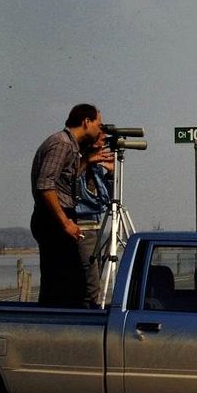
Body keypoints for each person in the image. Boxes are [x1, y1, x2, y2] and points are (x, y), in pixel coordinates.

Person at [30, 104, 104, 308]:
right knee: (65, 283)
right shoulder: (61, 144)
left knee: (64, 282)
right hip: (53, 218)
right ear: (86, 122)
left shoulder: (70, 146)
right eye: (98, 125)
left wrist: (86, 162)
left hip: (57, 216)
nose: (100, 130)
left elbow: (64, 181)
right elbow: (46, 185)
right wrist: (65, 222)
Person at [75, 132, 114, 308]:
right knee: (91, 283)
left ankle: (89, 309)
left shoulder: (97, 167)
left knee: (96, 276)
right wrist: (86, 163)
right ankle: (90, 315)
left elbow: (107, 199)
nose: (103, 144)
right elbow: (75, 192)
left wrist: (111, 174)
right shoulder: (77, 162)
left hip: (97, 227)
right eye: (101, 139)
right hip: (81, 228)